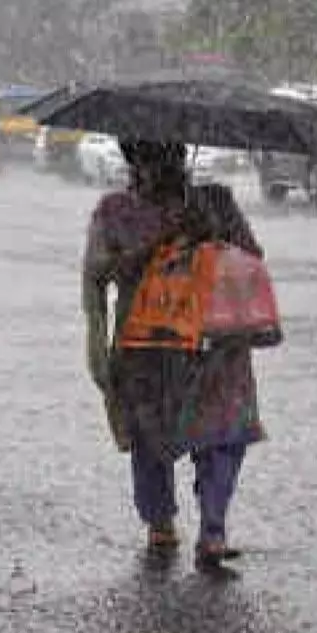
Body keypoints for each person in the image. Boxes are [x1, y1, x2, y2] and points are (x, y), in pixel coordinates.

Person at [81, 138, 267, 569]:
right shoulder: (123, 212)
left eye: (168, 157)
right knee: (179, 436)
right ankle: (183, 525)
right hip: (173, 345)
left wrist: (210, 238)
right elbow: (99, 276)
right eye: (150, 158)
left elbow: (252, 258)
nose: (161, 167)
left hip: (194, 346)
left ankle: (195, 529)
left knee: (205, 436)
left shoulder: (208, 204)